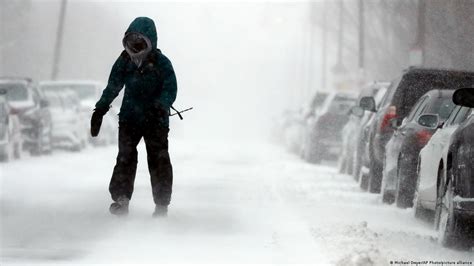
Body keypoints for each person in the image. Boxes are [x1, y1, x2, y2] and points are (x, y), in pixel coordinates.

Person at [91, 17, 177, 217]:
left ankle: (162, 205)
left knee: (159, 160)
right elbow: (113, 86)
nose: (135, 47)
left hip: (156, 120)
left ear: (150, 42)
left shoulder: (161, 63)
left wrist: (161, 105)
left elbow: (170, 88)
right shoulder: (124, 61)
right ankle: (121, 199)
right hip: (130, 117)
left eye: (140, 42)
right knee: (125, 158)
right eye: (131, 42)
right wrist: (100, 109)